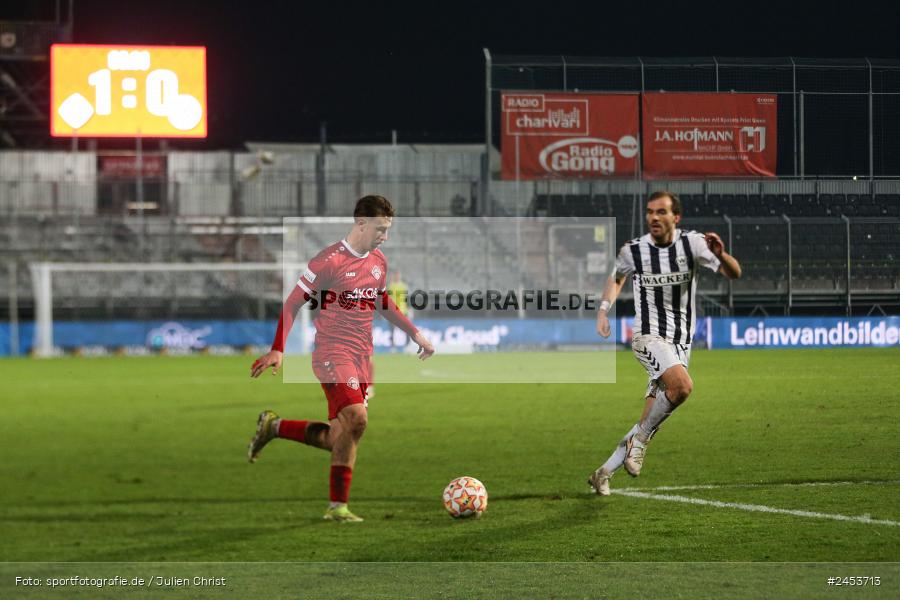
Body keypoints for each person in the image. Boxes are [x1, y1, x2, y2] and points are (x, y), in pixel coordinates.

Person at [248, 195, 435, 522]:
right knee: (358, 419)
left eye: (388, 229)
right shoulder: (328, 261)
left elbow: (381, 301)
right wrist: (278, 348)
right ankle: (336, 506)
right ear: (361, 223)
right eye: (380, 228)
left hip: (362, 356)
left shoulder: (378, 261)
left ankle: (275, 428)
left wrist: (414, 332)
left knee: (341, 435)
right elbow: (293, 303)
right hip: (333, 353)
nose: (384, 236)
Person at [588, 191, 741, 496]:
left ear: (676, 217)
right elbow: (617, 278)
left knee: (650, 416)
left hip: (680, 344)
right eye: (650, 212)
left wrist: (722, 254)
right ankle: (640, 442)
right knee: (682, 387)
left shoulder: (694, 244)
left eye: (661, 212)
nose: (653, 218)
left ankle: (602, 473)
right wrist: (604, 310)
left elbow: (733, 273)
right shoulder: (634, 250)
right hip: (647, 336)